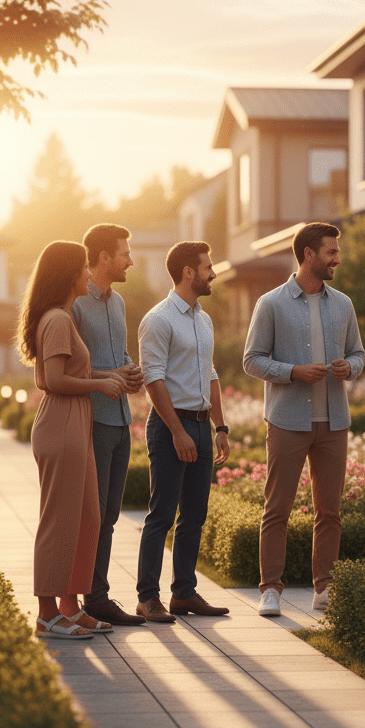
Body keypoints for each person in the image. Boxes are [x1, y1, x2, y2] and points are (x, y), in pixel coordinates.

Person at [243, 222, 365, 616]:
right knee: (277, 507)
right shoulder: (271, 303)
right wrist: (293, 371)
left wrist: (351, 367)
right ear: (309, 254)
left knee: (329, 511)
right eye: (331, 252)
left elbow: (359, 354)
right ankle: (271, 589)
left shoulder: (343, 303)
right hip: (286, 420)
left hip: (333, 421)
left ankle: (324, 588)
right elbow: (252, 360)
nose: (337, 259)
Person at [16, 241, 126, 638]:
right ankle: (47, 614)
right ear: (68, 275)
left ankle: (71, 606)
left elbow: (51, 377)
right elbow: (54, 380)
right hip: (62, 423)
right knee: (59, 521)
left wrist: (105, 378)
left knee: (87, 518)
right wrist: (100, 383)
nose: (87, 273)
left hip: (73, 421)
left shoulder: (60, 317)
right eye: (82, 268)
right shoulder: (58, 320)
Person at [134, 241, 231, 622]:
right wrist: (177, 431)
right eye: (208, 266)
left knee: (195, 514)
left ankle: (184, 594)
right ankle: (147, 597)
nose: (213, 273)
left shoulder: (202, 319)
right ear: (188, 272)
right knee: (161, 514)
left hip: (202, 426)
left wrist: (219, 426)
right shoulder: (158, 319)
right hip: (169, 427)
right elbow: (152, 379)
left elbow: (210, 374)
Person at [70, 223, 146, 626]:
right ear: (103, 258)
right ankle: (91, 596)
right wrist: (111, 374)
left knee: (111, 515)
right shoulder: (76, 304)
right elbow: (70, 366)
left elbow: (120, 353)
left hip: (120, 421)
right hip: (93, 420)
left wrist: (131, 371)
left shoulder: (118, 303)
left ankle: (96, 594)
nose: (130, 260)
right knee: (93, 515)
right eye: (124, 253)